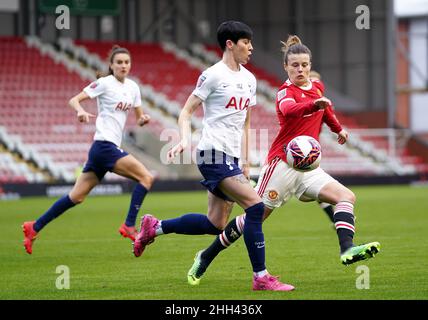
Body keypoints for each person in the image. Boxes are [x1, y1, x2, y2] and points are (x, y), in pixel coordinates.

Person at [186, 35, 381, 285]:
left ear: (310, 65)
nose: (301, 69)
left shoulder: (317, 89)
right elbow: (291, 110)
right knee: (253, 219)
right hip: (281, 166)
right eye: (295, 65)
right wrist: (312, 105)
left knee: (346, 197)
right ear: (286, 67)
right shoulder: (285, 93)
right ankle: (206, 255)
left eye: (305, 65)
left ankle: (347, 249)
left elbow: (326, 110)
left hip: (309, 167)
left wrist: (338, 129)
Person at [132, 21, 294, 291]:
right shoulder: (213, 75)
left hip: (230, 158)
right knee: (255, 206)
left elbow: (245, 123)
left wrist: (245, 162)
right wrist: (184, 139)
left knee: (215, 224)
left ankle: (155, 227)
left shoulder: (249, 79)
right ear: (230, 44)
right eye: (246, 42)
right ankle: (261, 277)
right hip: (211, 154)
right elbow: (186, 111)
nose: (251, 47)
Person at [22, 45, 154, 254]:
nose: (123, 65)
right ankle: (129, 225)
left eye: (126, 62)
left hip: (103, 149)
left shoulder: (133, 88)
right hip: (104, 146)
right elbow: (74, 100)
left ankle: (34, 227)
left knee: (76, 197)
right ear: (111, 65)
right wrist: (80, 110)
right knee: (146, 178)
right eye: (119, 62)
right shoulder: (104, 83)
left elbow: (139, 118)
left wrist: (143, 119)